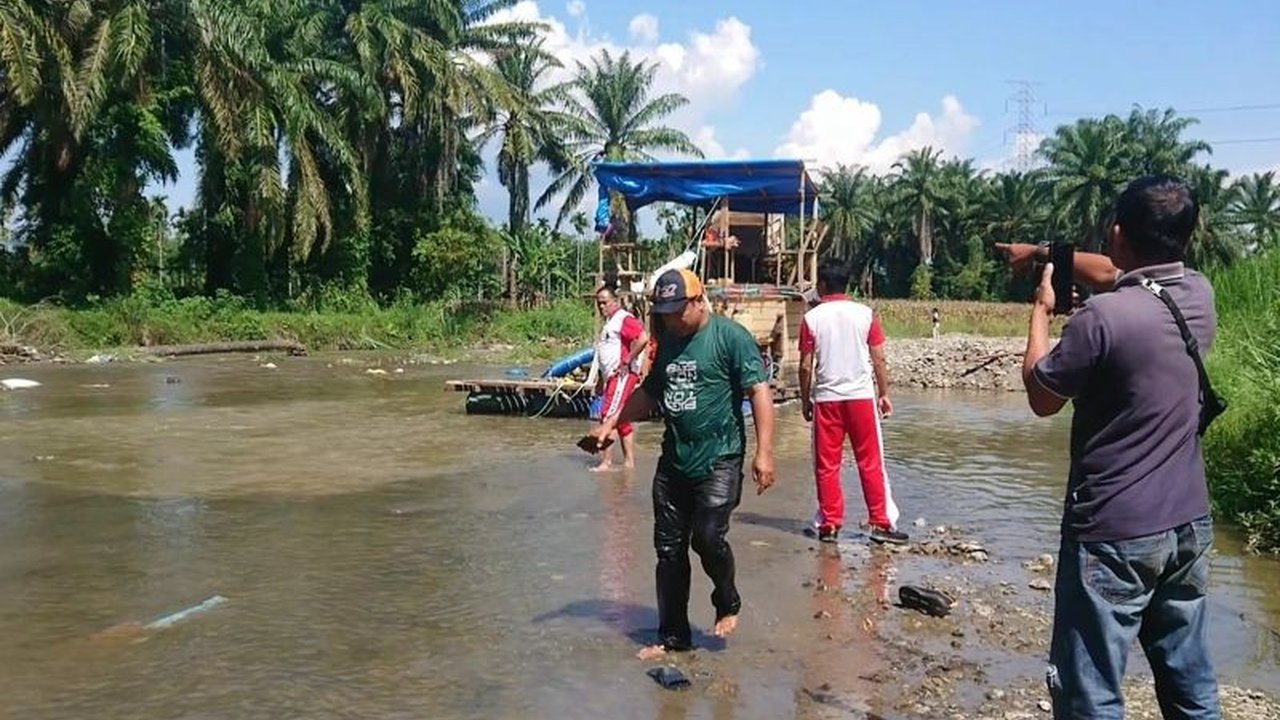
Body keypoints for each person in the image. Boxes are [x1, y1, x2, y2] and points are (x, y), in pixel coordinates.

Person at [1009, 176, 1222, 719]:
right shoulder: (1197, 292)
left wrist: (1040, 311)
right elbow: (1111, 272)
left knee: (1091, 691)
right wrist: (1040, 251)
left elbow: (1041, 396)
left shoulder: (1101, 319)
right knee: (1188, 676)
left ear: (1118, 233)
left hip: (1112, 532)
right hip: (1188, 526)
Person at [587, 268, 776, 659]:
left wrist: (764, 452)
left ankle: (727, 599)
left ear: (698, 300)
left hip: (720, 457)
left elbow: (758, 390)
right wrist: (610, 424)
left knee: (706, 537)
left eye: (677, 310)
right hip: (675, 459)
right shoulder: (667, 341)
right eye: (664, 311)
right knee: (669, 551)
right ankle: (674, 637)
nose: (671, 318)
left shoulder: (729, 337)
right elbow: (650, 393)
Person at [798, 258, 907, 545]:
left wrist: (805, 399)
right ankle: (881, 523)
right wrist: (884, 393)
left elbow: (806, 365)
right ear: (847, 284)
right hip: (860, 397)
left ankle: (830, 524)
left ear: (821, 286)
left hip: (827, 400)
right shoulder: (865, 314)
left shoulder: (811, 319)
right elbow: (879, 358)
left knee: (826, 464)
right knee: (871, 462)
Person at [591, 285, 649, 471]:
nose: (601, 307)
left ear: (615, 302)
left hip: (622, 375)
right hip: (611, 378)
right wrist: (601, 380)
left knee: (608, 415)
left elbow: (642, 338)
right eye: (599, 304)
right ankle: (629, 463)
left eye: (605, 303)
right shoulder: (609, 323)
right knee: (621, 419)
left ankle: (606, 463)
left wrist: (627, 360)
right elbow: (604, 356)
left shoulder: (623, 319)